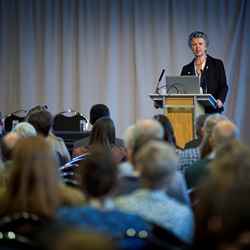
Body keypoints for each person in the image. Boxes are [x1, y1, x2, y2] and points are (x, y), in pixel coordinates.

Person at [181, 31, 228, 113]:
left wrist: (220, 100)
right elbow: (181, 91)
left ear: (205, 46)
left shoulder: (217, 64)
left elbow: (223, 86)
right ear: (191, 48)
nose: (197, 47)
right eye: (194, 44)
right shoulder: (186, 69)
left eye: (200, 44)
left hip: (212, 110)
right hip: (192, 111)